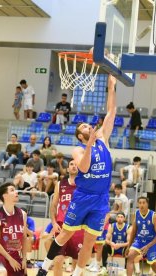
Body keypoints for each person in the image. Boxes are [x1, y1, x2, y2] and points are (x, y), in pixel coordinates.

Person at [36, 75, 117, 276]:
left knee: (89, 241)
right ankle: (44, 268)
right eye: (84, 128)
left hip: (100, 199)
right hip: (82, 196)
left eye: (88, 125)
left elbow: (112, 111)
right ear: (81, 136)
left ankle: (76, 274)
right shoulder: (78, 149)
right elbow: (84, 166)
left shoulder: (103, 139)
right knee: (65, 234)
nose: (88, 126)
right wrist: (89, 144)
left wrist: (112, 87)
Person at [50, 160, 83, 276]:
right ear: (68, 169)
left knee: (77, 262)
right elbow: (54, 205)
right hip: (61, 226)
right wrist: (54, 223)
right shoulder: (60, 184)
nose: (74, 166)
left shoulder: (85, 184)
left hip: (78, 227)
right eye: (71, 164)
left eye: (77, 164)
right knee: (58, 260)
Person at [0, 183, 28, 276]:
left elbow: (24, 238)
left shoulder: (22, 214)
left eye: (16, 190)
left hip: (14, 254)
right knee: (2, 273)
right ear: (5, 196)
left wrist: (24, 259)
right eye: (12, 190)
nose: (16, 192)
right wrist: (10, 259)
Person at [126, 196, 156, 276]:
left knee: (154, 266)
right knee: (130, 257)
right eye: (140, 203)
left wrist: (147, 246)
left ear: (147, 204)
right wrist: (129, 246)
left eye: (143, 203)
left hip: (151, 243)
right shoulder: (136, 214)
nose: (141, 205)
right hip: (139, 241)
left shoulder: (154, 216)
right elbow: (134, 231)